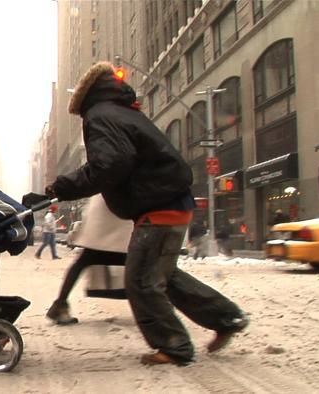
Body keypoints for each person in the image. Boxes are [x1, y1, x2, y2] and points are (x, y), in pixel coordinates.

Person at [46, 61, 248, 365]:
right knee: (164, 276)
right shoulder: (123, 111)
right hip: (171, 202)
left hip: (158, 206)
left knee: (140, 281)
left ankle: (174, 345)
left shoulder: (99, 115)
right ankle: (226, 318)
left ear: (84, 98)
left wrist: (61, 188)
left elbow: (110, 164)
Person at [46, 194, 132, 325]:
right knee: (142, 260)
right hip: (115, 212)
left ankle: (59, 305)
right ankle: (155, 306)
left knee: (85, 260)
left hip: (107, 214)